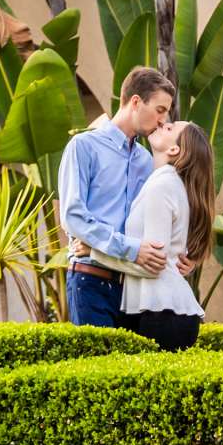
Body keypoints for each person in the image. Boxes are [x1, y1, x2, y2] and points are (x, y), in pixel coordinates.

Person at [56, 64, 175, 327]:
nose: (163, 120)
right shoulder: (84, 147)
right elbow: (73, 218)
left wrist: (178, 251)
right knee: (97, 367)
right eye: (160, 110)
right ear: (135, 102)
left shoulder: (147, 160)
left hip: (133, 287)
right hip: (90, 281)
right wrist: (130, 249)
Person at [119, 120, 215, 351]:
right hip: (159, 311)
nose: (163, 123)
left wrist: (95, 252)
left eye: (170, 128)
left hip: (163, 313)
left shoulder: (162, 185)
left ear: (174, 150)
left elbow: (153, 261)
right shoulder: (168, 183)